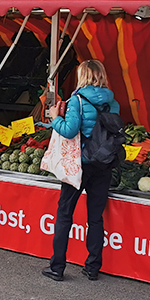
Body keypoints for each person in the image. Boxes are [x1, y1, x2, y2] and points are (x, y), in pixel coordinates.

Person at [42, 59, 122, 282]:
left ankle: (57, 267)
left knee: (65, 214)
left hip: (79, 164)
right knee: (95, 217)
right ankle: (93, 267)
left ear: (82, 76)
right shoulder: (112, 103)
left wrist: (55, 117)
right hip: (103, 164)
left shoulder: (77, 100)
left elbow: (69, 131)